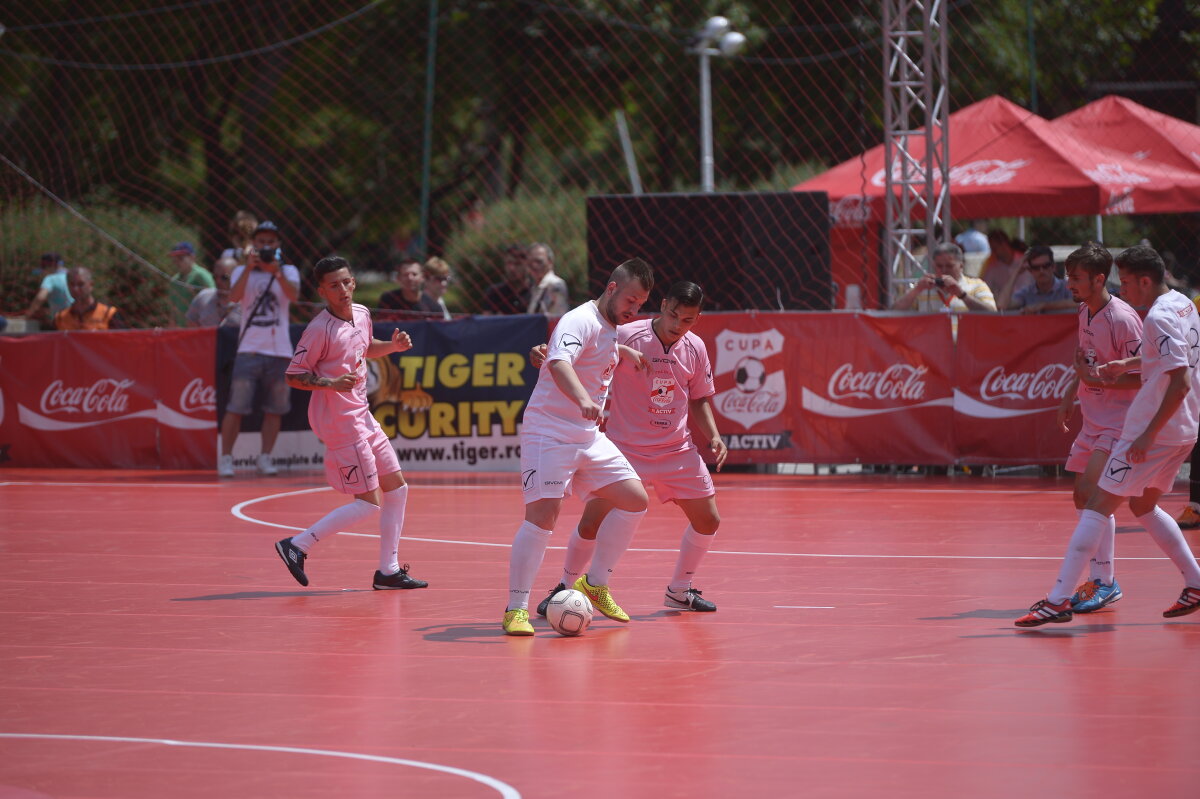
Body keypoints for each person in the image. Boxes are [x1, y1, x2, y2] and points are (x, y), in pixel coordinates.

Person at [1016, 245, 1200, 627]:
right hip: (1183, 428)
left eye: (1128, 281)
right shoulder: (1183, 303)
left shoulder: (1151, 318)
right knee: (1141, 506)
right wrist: (1126, 365)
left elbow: (1179, 381)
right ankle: (1195, 582)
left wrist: (1147, 435)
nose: (1124, 288)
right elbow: (1171, 358)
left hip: (1152, 429)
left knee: (1097, 503)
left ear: (1145, 280)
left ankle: (1059, 598)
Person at [530, 280, 729, 617]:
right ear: (663, 306)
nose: (678, 326)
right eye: (674, 316)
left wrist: (714, 435)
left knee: (709, 520)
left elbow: (699, 399)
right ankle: (564, 587)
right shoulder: (627, 333)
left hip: (675, 451)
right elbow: (573, 353)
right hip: (625, 450)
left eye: (688, 320)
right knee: (592, 523)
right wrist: (542, 352)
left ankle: (679, 590)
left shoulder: (695, 347)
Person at [502, 258, 654, 636]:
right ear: (612, 288)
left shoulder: (608, 326)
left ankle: (595, 583)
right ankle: (515, 609)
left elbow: (600, 345)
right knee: (543, 519)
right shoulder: (578, 319)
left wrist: (624, 353)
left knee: (635, 499)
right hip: (550, 432)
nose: (634, 310)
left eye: (640, 305)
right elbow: (559, 362)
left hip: (588, 437)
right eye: (631, 301)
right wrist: (585, 400)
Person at [274, 256, 428, 591]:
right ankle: (297, 545)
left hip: (361, 413)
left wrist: (393, 347)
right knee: (367, 502)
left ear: (354, 281)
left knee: (398, 488)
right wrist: (329, 384)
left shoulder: (362, 313)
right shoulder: (318, 330)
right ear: (322, 291)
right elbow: (293, 375)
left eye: (346, 282)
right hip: (340, 421)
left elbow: (364, 347)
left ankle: (387, 571)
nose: (342, 290)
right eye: (334, 285)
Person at [1053, 242, 1143, 614]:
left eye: (1076, 278)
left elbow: (1145, 375)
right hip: (1093, 419)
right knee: (1083, 497)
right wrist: (1071, 391)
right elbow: (1086, 362)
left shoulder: (1122, 318)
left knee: (1093, 495)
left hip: (1119, 423)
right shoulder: (1084, 312)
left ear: (1099, 278)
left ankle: (1105, 581)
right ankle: (1102, 579)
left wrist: (1100, 382)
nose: (1069, 283)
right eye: (1068, 276)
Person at [219, 220, 301, 478]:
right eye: (261, 242)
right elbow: (233, 297)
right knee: (236, 406)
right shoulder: (241, 271)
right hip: (249, 349)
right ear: (253, 244)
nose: (266, 246)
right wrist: (249, 268)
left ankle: (265, 457)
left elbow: (294, 296)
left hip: (280, 351)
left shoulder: (289, 271)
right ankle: (226, 458)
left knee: (275, 408)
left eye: (271, 242)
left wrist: (275, 271)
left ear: (278, 245)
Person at [891, 242, 997, 312]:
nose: (944, 270)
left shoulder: (977, 285)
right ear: (933, 265)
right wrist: (916, 290)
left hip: (965, 343)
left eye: (949, 266)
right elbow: (894, 313)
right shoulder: (923, 288)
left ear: (961, 265)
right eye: (939, 266)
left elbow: (992, 314)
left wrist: (962, 295)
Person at [1004, 245, 1076, 314]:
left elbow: (1082, 303)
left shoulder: (1068, 286)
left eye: (1045, 266)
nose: (1041, 271)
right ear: (1030, 271)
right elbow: (1002, 306)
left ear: (1053, 267)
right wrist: (1016, 271)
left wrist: (1044, 306)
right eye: (1036, 267)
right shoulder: (1026, 292)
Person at [54, 266, 125, 330]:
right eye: (72, 285)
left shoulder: (108, 315)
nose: (75, 289)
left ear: (91, 285)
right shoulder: (60, 318)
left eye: (80, 284)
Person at [186, 256, 242, 328]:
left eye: (224, 278)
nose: (218, 281)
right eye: (215, 277)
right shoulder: (203, 297)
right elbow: (191, 324)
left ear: (236, 276)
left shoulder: (246, 301)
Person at [980, 229, 1032, 308]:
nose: (993, 253)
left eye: (995, 248)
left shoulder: (1024, 261)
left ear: (1004, 244)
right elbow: (984, 289)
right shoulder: (993, 267)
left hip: (1027, 306)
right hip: (1004, 308)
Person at [167, 242, 215, 324]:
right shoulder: (175, 281)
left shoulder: (201, 275)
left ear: (192, 257)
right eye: (174, 259)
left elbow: (213, 300)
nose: (177, 262)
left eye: (180, 258)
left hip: (199, 326)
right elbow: (173, 309)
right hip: (181, 329)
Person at [22, 253, 72, 322]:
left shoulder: (50, 279)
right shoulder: (71, 275)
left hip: (63, 319)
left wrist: (28, 314)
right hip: (79, 316)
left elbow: (40, 298)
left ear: (48, 267)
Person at [482, 245, 531, 315]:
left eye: (517, 264)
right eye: (509, 263)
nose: (512, 269)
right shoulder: (494, 293)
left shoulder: (535, 293)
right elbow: (486, 322)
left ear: (527, 266)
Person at [526, 241, 570, 315]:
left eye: (539, 261)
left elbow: (557, 316)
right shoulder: (535, 287)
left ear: (550, 262)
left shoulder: (555, 285)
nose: (534, 265)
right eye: (530, 262)